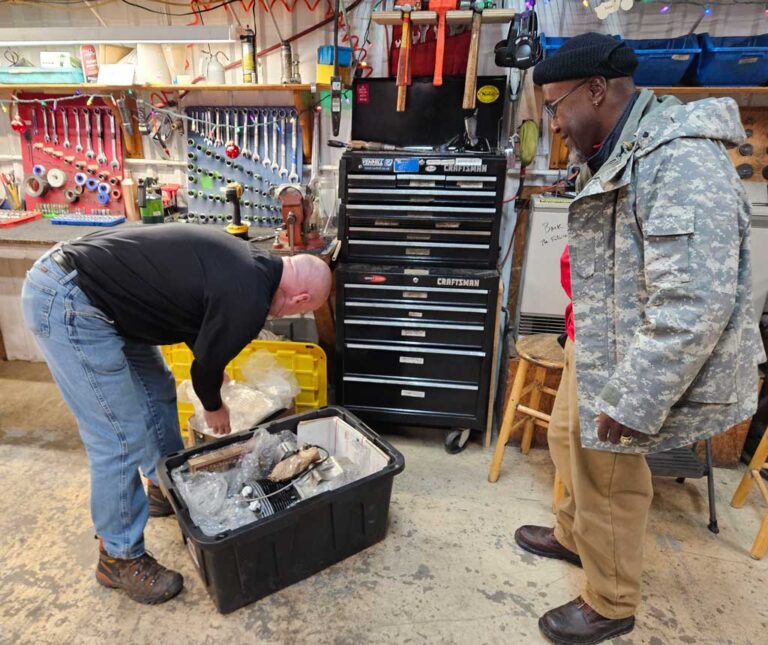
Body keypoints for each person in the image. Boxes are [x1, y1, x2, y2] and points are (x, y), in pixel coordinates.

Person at [513, 33, 765, 644]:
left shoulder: (680, 160)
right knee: (568, 435)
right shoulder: (620, 149)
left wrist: (636, 400)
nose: (553, 125)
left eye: (554, 106)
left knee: (608, 471)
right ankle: (574, 536)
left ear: (597, 90)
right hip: (600, 341)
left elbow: (694, 304)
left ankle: (610, 599)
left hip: (638, 362)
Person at [21, 224, 331, 605]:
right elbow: (202, 371)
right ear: (300, 297)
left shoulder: (255, 263)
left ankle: (163, 486)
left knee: (157, 389)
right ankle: (118, 556)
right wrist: (214, 405)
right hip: (72, 301)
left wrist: (213, 360)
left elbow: (184, 303)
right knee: (117, 435)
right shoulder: (251, 296)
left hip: (103, 293)